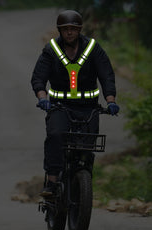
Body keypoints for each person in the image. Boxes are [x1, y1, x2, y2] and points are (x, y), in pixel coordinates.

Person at [31, 10, 120, 197]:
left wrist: (110, 101)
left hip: (88, 107)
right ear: (60, 31)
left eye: (73, 29)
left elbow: (106, 75)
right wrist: (42, 98)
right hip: (59, 107)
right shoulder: (51, 50)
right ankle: (53, 182)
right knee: (55, 136)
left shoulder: (93, 49)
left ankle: (84, 182)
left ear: (79, 30)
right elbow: (39, 77)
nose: (69, 32)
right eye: (65, 29)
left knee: (86, 148)